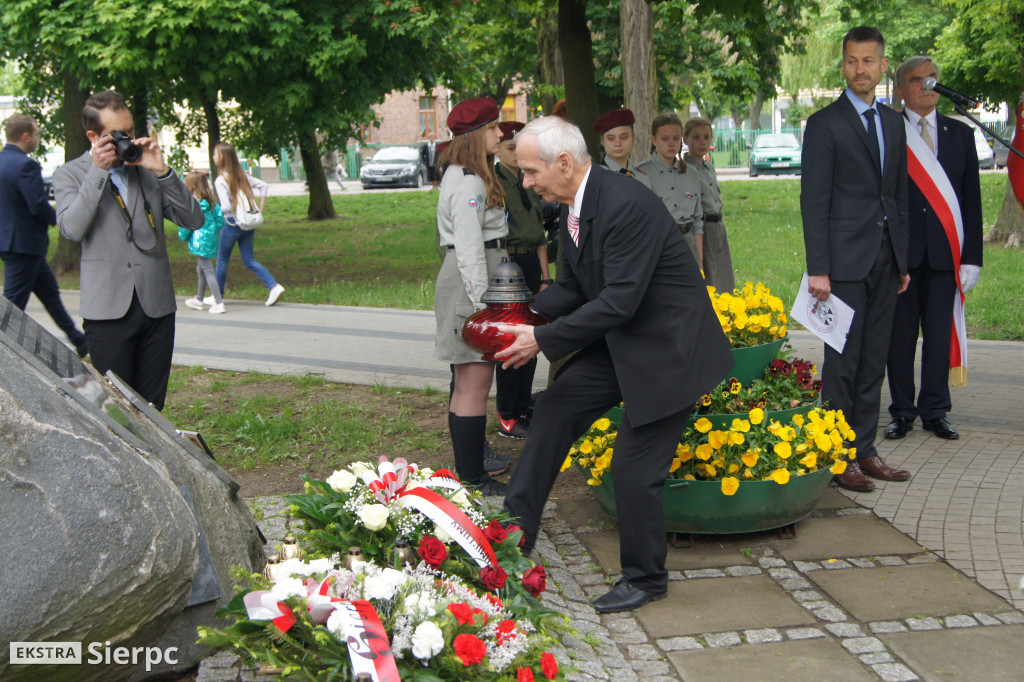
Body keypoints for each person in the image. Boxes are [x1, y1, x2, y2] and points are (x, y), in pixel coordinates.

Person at [496, 116, 733, 613]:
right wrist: (516, 317)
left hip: (669, 351)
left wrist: (540, 339)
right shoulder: (574, 204)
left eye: (532, 171)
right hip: (626, 341)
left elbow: (619, 301)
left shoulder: (624, 204)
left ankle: (646, 579)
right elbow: (577, 286)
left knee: (631, 469)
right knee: (557, 406)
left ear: (565, 163)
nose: (527, 182)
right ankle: (512, 535)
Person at [800, 26, 911, 493]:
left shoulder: (892, 122)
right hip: (842, 264)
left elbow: (898, 195)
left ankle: (865, 450)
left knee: (874, 360)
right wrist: (818, 267)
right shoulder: (825, 124)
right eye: (851, 61)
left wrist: (902, 260)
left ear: (883, 66)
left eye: (868, 61)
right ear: (843, 65)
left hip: (886, 261)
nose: (859, 69)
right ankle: (837, 456)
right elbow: (814, 200)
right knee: (842, 364)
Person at [53, 91, 204, 410]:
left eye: (131, 131)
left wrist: (162, 172)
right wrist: (98, 171)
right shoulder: (70, 174)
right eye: (117, 135)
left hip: (156, 305)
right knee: (117, 406)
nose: (127, 140)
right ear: (93, 136)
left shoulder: (146, 169)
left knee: (152, 406)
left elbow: (193, 219)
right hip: (107, 310)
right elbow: (71, 229)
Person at [885, 56, 983, 442]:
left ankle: (935, 410)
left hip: (946, 255)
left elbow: (970, 199)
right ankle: (902, 411)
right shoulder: (890, 131)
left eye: (932, 79)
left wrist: (972, 256)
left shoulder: (959, 133)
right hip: (903, 255)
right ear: (900, 89)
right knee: (901, 338)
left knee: (939, 336)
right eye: (916, 80)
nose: (926, 86)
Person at [434, 97, 508, 496]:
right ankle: (473, 478)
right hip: (474, 283)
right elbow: (468, 249)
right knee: (474, 385)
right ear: (477, 135)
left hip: (472, 277)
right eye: (494, 128)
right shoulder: (468, 182)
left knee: (468, 383)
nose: (500, 134)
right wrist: (483, 309)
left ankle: (469, 474)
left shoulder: (464, 174)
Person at [0, 114, 88, 357]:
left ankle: (78, 340)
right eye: (37, 134)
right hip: (24, 244)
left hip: (12, 242)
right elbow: (37, 204)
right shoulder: (26, 165)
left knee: (50, 294)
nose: (38, 139)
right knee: (12, 304)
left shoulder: (2, 161)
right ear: (26, 136)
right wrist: (61, 219)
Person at [493, 120, 550, 440]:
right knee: (511, 342)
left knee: (531, 338)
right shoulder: (495, 182)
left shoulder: (528, 181)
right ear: (499, 151)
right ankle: (507, 414)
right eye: (510, 148)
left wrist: (544, 277)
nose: (516, 154)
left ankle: (522, 406)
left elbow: (539, 234)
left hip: (532, 263)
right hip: (509, 265)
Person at [212, 143, 285, 307]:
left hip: (231, 224)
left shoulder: (220, 180)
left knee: (222, 260)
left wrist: (212, 210)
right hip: (248, 223)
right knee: (249, 259)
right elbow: (263, 185)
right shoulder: (241, 175)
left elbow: (225, 207)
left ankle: (218, 297)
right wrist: (260, 209)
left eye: (215, 154)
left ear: (222, 157)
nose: (213, 157)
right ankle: (274, 286)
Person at [636, 113, 705, 267]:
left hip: (688, 243)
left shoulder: (692, 173)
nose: (671, 144)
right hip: (660, 245)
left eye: (675, 139)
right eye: (665, 139)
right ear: (654, 140)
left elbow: (697, 220)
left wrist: (700, 262)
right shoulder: (641, 173)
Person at [684, 117, 735, 294]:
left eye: (706, 137)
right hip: (702, 227)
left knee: (723, 272)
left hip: (717, 224)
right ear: (685, 139)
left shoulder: (708, 167)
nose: (702, 142)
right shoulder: (685, 169)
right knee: (709, 274)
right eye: (696, 137)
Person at [180, 172, 226, 314]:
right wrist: (212, 233)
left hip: (199, 240)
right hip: (210, 238)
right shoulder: (211, 201)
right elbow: (220, 221)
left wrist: (183, 236)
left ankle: (218, 302)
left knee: (207, 270)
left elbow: (187, 224)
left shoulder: (192, 204)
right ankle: (199, 299)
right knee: (201, 269)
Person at [593, 108, 643, 178]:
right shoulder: (595, 177)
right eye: (611, 139)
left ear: (633, 138)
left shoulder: (643, 177)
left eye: (624, 137)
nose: (618, 144)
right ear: (603, 141)